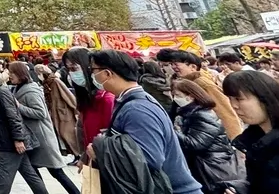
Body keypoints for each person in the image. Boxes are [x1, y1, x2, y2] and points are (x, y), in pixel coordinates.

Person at [85, 49, 201, 194]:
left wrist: (100, 153)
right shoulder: (127, 101)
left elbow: (148, 159)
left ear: (107, 73)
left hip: (173, 189)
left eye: (93, 70)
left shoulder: (138, 109)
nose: (92, 75)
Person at [6, 63, 78, 194]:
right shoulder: (17, 89)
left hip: (42, 139)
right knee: (34, 173)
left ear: (20, 74)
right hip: (32, 138)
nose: (10, 75)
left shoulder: (31, 91)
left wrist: (18, 106)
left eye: (12, 72)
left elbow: (40, 113)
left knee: (57, 172)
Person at [0, 65, 49, 194]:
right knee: (30, 175)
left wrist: (18, 139)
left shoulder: (2, 92)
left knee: (3, 182)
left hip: (9, 144)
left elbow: (13, 116)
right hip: (8, 141)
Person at [221, 70, 279, 192]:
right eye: (230, 99)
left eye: (238, 98)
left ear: (265, 98)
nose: (234, 105)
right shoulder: (254, 141)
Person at [169, 79, 240, 192]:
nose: (175, 99)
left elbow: (195, 144)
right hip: (204, 164)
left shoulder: (203, 115)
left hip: (213, 166)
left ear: (191, 96)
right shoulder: (188, 113)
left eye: (178, 95)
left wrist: (171, 131)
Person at [162, 50, 242, 139]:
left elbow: (225, 112)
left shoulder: (202, 84)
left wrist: (236, 139)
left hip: (210, 138)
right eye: (171, 64)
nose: (173, 67)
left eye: (176, 64)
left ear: (193, 66)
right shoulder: (182, 83)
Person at [61, 47, 114, 159]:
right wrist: (84, 157)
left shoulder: (106, 99)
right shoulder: (86, 99)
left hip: (105, 160)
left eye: (74, 68)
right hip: (91, 158)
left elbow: (110, 136)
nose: (72, 73)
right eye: (69, 69)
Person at [36, 64, 80, 161]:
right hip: (56, 112)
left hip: (63, 112)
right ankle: (74, 154)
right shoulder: (47, 82)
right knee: (61, 134)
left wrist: (76, 109)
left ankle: (78, 154)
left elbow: (68, 95)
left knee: (67, 134)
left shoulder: (55, 81)